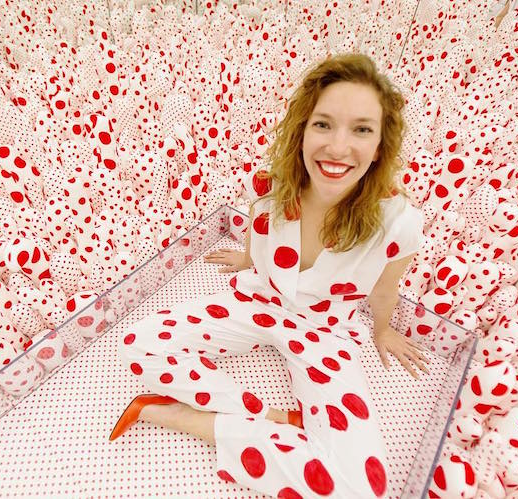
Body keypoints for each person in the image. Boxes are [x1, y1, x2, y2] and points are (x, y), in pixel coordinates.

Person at [111, 53, 429, 498]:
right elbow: (259, 227)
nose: (338, 147)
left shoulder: (398, 223)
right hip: (259, 300)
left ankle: (178, 416)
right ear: (303, 130)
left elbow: (384, 289)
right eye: (323, 124)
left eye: (361, 129)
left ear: (380, 146)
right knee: (138, 344)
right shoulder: (271, 185)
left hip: (323, 329)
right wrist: (248, 259)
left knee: (361, 491)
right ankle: (272, 417)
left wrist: (382, 331)